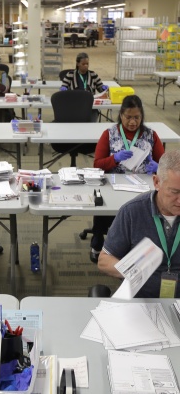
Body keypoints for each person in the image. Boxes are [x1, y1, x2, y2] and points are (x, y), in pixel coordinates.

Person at [90, 95, 165, 263]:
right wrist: (114, 159)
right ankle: (98, 236)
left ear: (142, 116)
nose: (132, 122)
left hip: (143, 185)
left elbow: (167, 166)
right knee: (104, 202)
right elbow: (97, 165)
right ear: (121, 115)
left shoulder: (151, 136)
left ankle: (140, 244)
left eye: (136, 117)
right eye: (128, 117)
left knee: (146, 208)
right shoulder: (109, 134)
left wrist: (158, 168)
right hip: (114, 183)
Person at [98, 149, 180, 298]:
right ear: (156, 182)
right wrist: (131, 269)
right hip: (141, 301)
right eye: (175, 192)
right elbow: (104, 260)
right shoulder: (132, 212)